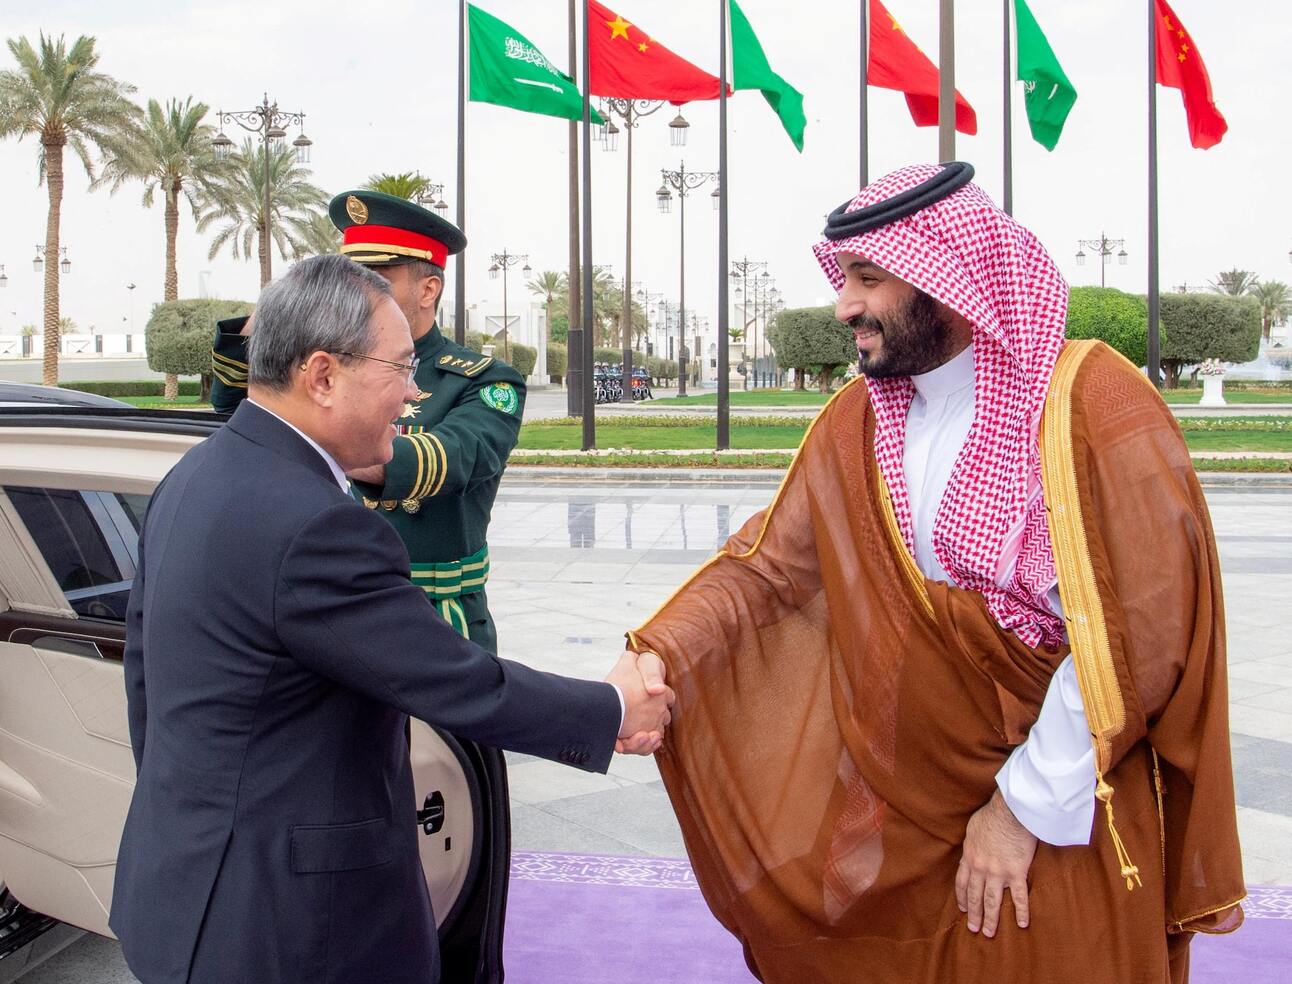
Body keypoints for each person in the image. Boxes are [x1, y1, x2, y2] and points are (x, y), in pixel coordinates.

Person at [627, 163, 1243, 982]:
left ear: (945, 278)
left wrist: (1019, 811)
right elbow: (768, 569)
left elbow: (1140, 636)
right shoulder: (857, 421)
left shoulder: (1091, 402)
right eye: (844, 278)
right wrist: (657, 658)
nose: (844, 304)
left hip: (1060, 808)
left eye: (868, 278)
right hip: (906, 806)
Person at [110, 254, 673, 984]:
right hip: (287, 931)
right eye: (400, 368)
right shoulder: (314, 524)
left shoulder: (194, 477)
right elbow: (457, 684)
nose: (412, 395)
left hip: (179, 891)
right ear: (322, 374)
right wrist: (614, 706)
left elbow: (145, 681)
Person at [211, 189, 521, 652]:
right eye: (350, 276)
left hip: (430, 613)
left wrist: (321, 443)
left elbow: (455, 458)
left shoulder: (483, 380)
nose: (358, 292)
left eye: (377, 277)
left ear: (428, 289)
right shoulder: (323, 363)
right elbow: (238, 409)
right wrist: (279, 313)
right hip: (326, 603)